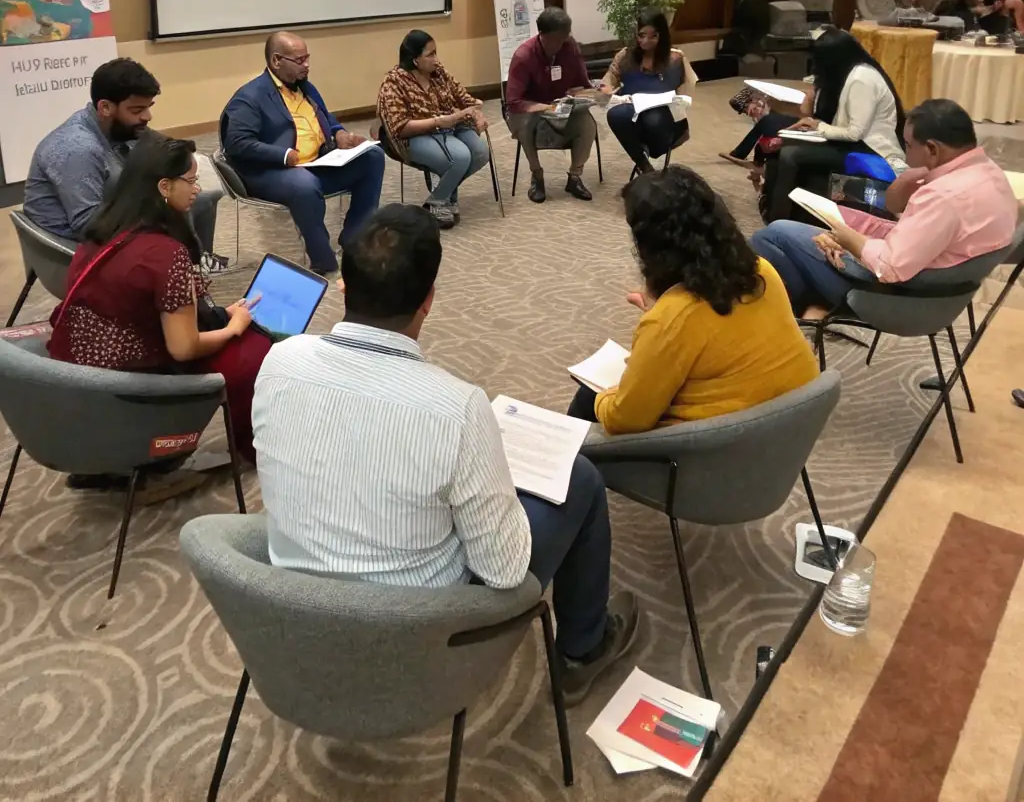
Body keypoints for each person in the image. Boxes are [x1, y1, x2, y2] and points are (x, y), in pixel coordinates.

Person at [253, 204, 640, 706]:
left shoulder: (280, 359)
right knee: (581, 478)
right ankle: (583, 651)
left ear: (345, 285)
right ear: (428, 302)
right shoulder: (456, 407)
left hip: (296, 616)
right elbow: (503, 571)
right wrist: (499, 491)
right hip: (422, 635)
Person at [47, 133, 273, 467]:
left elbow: (132, 302)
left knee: (233, 327)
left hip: (80, 359)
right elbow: (183, 348)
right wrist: (232, 328)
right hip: (131, 374)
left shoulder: (102, 229)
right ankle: (254, 452)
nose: (197, 189)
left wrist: (218, 315)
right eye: (191, 181)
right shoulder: (165, 254)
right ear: (164, 187)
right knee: (256, 351)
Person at [567, 168, 817, 430]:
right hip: (788, 431)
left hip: (713, 449)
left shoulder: (670, 320)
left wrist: (608, 394)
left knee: (589, 396)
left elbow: (624, 420)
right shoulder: (762, 271)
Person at [751, 99, 1018, 319]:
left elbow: (890, 268)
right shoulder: (988, 173)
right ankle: (813, 311)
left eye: (908, 146)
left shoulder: (945, 195)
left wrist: (846, 238)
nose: (904, 153)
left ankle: (808, 312)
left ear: (933, 149)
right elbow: (894, 207)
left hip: (901, 298)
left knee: (772, 235)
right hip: (943, 290)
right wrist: (906, 179)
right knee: (810, 241)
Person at [23, 56, 224, 268]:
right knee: (171, 210)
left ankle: (194, 266)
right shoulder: (77, 148)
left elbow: (166, 148)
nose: (148, 116)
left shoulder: (118, 127)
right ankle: (180, 273)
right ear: (105, 107)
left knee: (201, 200)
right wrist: (154, 218)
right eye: (137, 110)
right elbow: (87, 224)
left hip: (109, 213)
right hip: (73, 251)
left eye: (149, 106)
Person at [221, 32, 385, 275]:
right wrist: (283, 155)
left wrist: (339, 134)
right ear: (276, 60)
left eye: (307, 58)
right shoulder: (249, 98)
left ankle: (355, 238)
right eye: (299, 60)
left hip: (317, 163)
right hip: (271, 171)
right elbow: (236, 143)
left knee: (373, 157)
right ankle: (322, 258)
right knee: (304, 185)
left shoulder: (306, 88)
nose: (307, 65)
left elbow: (325, 117)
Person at [760, 28, 906, 223]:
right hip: (852, 144)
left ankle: (778, 220)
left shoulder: (862, 79)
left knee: (791, 155)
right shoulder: (851, 74)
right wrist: (815, 125)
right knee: (784, 145)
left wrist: (819, 127)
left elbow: (855, 133)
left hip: (869, 150)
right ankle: (774, 208)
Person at [377, 30, 488, 229]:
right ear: (415, 60)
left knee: (481, 152)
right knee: (460, 157)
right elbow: (400, 128)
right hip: (414, 136)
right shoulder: (393, 83)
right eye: (430, 54)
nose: (436, 59)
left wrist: (476, 111)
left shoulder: (438, 72)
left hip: (448, 127)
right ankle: (443, 199)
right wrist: (438, 121)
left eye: (436, 52)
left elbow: (464, 98)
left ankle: (437, 199)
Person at [505, 7, 597, 204]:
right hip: (530, 109)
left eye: (566, 36)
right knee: (525, 123)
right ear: (542, 35)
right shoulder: (524, 56)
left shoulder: (570, 47)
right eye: (558, 38)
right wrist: (543, 107)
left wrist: (593, 94)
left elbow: (583, 82)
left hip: (560, 105)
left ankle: (574, 176)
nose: (562, 42)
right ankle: (537, 175)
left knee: (587, 122)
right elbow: (513, 102)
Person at [599, 8, 697, 173]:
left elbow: (686, 91)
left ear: (662, 35)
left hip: (664, 115)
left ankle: (646, 150)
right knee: (615, 114)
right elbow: (609, 78)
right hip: (634, 109)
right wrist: (606, 88)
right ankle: (645, 166)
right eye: (641, 35)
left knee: (653, 119)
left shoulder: (675, 59)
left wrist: (680, 103)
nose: (646, 41)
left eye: (653, 36)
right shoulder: (625, 56)